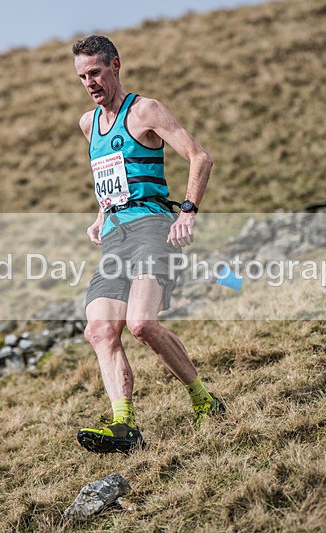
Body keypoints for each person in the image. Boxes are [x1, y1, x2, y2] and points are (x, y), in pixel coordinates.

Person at [72, 35, 226, 454]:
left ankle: (203, 398)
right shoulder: (88, 124)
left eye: (96, 72)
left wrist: (188, 211)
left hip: (153, 229)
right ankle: (124, 426)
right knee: (100, 331)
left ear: (115, 65)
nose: (90, 82)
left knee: (141, 325)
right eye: (83, 76)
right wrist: (101, 214)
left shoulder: (145, 111)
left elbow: (200, 157)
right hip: (114, 239)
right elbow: (112, 177)